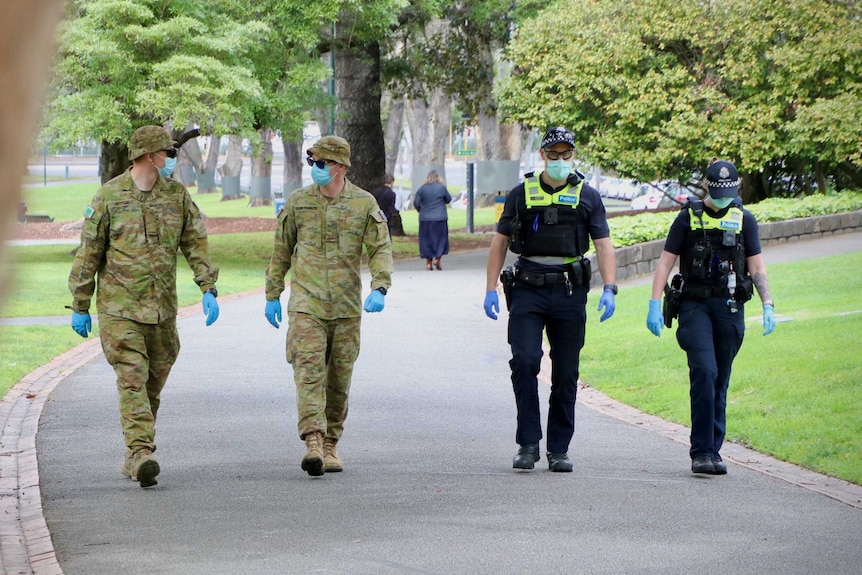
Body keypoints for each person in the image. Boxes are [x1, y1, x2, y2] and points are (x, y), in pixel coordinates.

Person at [67, 125, 221, 488]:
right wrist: (80, 304)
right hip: (120, 310)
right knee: (132, 378)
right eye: (168, 154)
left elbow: (195, 243)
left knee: (153, 382)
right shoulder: (109, 197)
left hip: (162, 310)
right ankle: (141, 452)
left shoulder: (177, 197)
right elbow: (89, 254)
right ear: (149, 156)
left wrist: (208, 288)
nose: (172, 160)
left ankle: (133, 452)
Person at [483, 127, 618, 472]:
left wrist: (610, 288)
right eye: (554, 154)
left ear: (573, 156)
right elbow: (499, 243)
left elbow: (603, 244)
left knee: (567, 371)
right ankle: (528, 443)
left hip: (569, 291)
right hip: (528, 287)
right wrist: (489, 288)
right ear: (542, 155)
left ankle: (559, 448)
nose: (560, 161)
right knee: (525, 361)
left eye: (566, 154)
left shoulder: (588, 196)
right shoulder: (520, 194)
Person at [264, 135, 393, 477]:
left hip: (346, 308)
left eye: (321, 164)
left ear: (340, 166)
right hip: (306, 305)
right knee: (308, 373)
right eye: (312, 163)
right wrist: (272, 294)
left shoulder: (363, 204)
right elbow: (281, 251)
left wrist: (380, 287)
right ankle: (313, 442)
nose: (315, 170)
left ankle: (332, 442)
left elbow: (380, 248)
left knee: (338, 379)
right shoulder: (298, 203)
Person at [646, 159, 776, 475]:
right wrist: (653, 302)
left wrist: (768, 303)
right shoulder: (686, 218)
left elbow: (756, 266)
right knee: (704, 370)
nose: (724, 198)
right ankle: (701, 452)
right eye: (719, 192)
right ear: (708, 186)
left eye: (729, 192)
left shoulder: (744, 219)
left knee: (720, 378)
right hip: (694, 306)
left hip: (730, 306)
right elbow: (665, 262)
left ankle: (714, 451)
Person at [413, 170, 452, 270]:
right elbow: (448, 199)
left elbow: (416, 203)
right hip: (440, 218)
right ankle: (438, 259)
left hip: (425, 218)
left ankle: (428, 262)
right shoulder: (442, 188)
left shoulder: (422, 189)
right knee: (440, 239)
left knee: (426, 240)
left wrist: (421, 210)